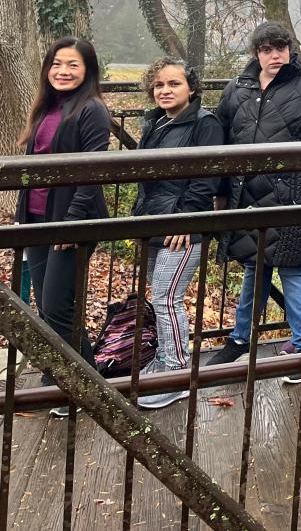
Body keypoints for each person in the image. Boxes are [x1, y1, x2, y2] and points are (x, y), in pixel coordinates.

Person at [207, 22, 301, 383]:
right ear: (257, 53)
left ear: (290, 49)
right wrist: (220, 194)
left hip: (295, 194)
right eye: (267, 49)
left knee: (296, 271)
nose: (275, 55)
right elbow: (222, 145)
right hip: (246, 194)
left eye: (281, 47)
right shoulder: (237, 90)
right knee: (255, 268)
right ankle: (240, 338)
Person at [15, 38, 110, 416]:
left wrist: (72, 224)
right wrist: (23, 216)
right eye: (57, 64)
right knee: (48, 304)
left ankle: (85, 387)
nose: (63, 71)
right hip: (38, 219)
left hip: (71, 221)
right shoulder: (47, 107)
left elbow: (94, 172)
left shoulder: (91, 110)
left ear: (87, 69)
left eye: (72, 64)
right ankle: (66, 376)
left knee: (57, 305)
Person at [132, 58, 224, 409]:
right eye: (159, 85)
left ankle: (177, 374)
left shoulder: (205, 123)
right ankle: (164, 361)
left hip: (182, 228)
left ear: (192, 88)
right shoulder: (155, 123)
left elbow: (208, 177)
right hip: (155, 222)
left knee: (167, 298)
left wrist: (185, 220)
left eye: (173, 84)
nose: (165, 91)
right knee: (160, 295)